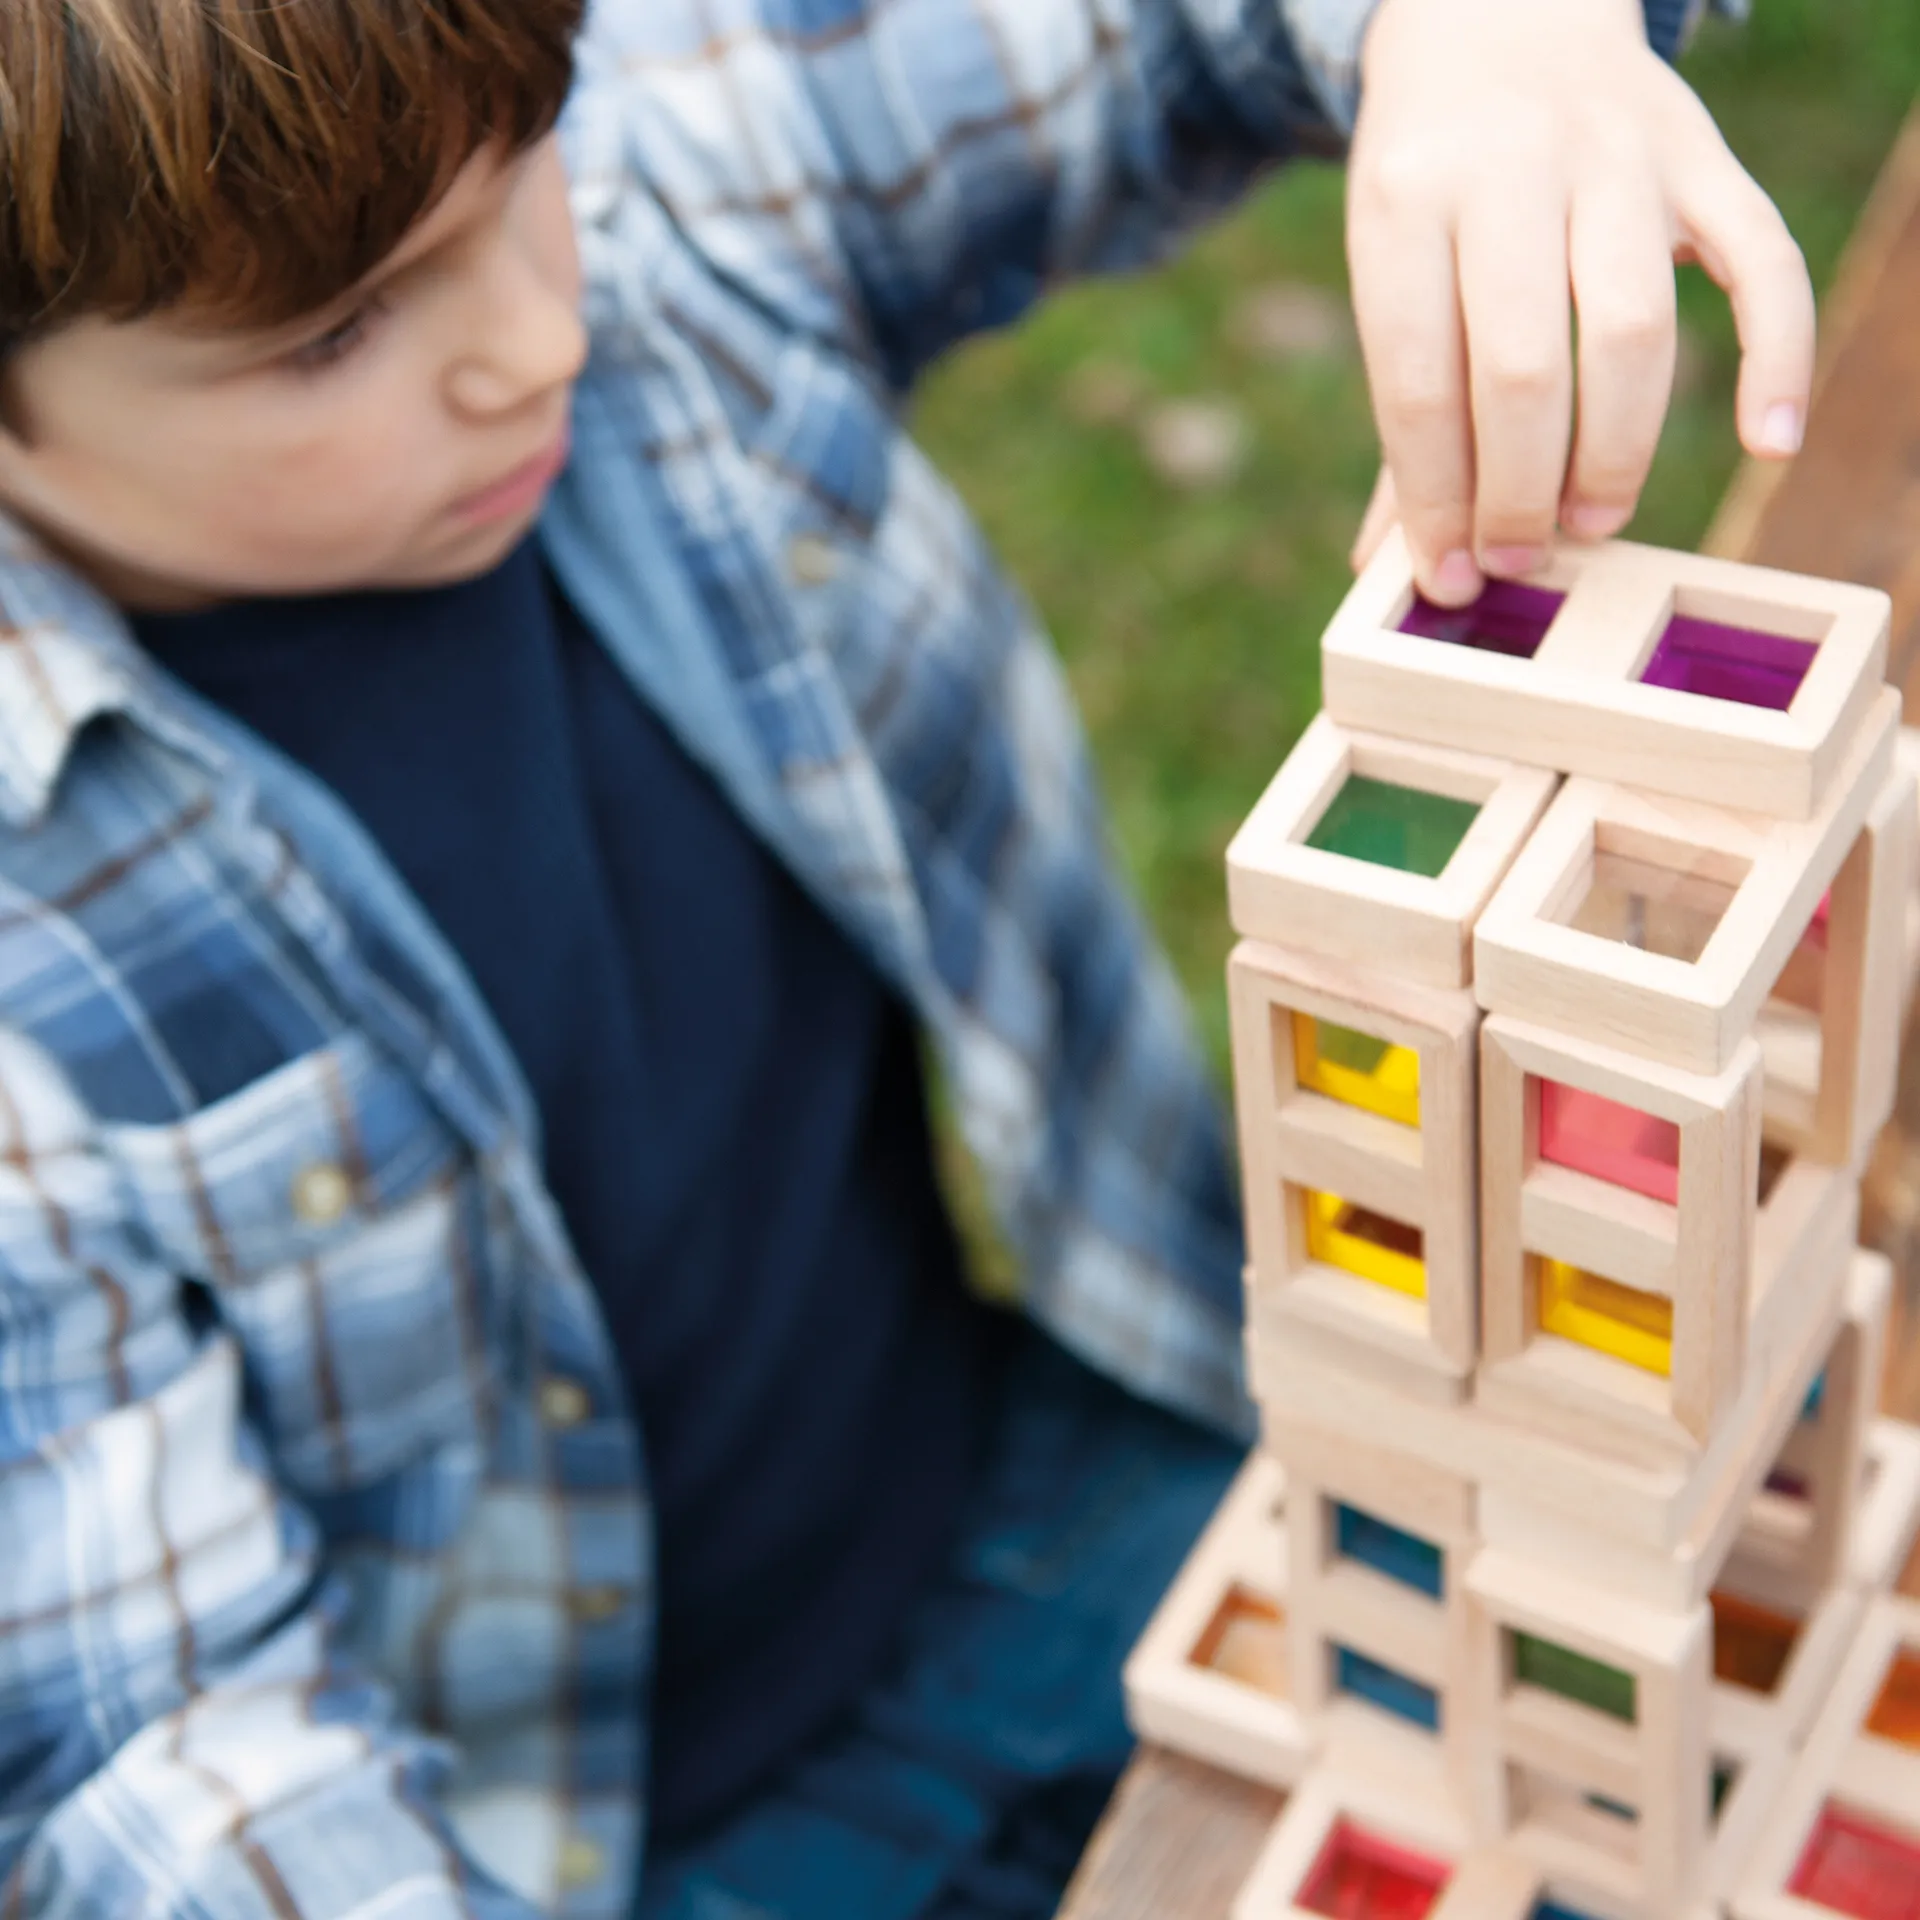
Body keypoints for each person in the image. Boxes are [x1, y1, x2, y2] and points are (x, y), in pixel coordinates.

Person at [0, 0, 1810, 1916]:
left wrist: (1484, 35)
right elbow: (160, 1754)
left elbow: (1149, 35)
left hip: (1034, 1489)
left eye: (523, 169)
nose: (537, 340)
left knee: (1668, 1806)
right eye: (334, 335)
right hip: (603, 1846)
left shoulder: (656, 199)